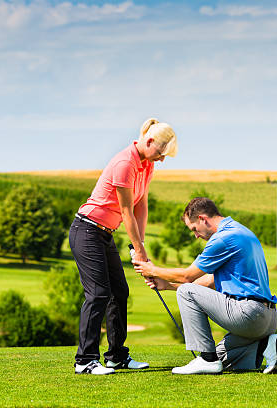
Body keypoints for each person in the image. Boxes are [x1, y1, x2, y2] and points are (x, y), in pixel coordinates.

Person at [71, 118, 178, 375]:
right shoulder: (124, 163)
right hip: (86, 230)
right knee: (97, 294)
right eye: (160, 153)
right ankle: (85, 360)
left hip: (104, 234)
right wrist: (139, 252)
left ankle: (116, 356)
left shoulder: (146, 165)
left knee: (119, 292)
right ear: (149, 141)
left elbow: (141, 206)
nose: (161, 159)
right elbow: (126, 211)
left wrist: (138, 244)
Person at [133, 197, 277, 375]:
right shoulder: (241, 231)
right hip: (267, 320)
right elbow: (209, 281)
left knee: (186, 291)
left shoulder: (223, 238)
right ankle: (268, 346)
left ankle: (206, 358)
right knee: (222, 359)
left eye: (194, 229)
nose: (196, 235)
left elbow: (187, 277)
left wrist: (152, 269)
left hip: (248, 314)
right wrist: (168, 285)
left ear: (202, 219)